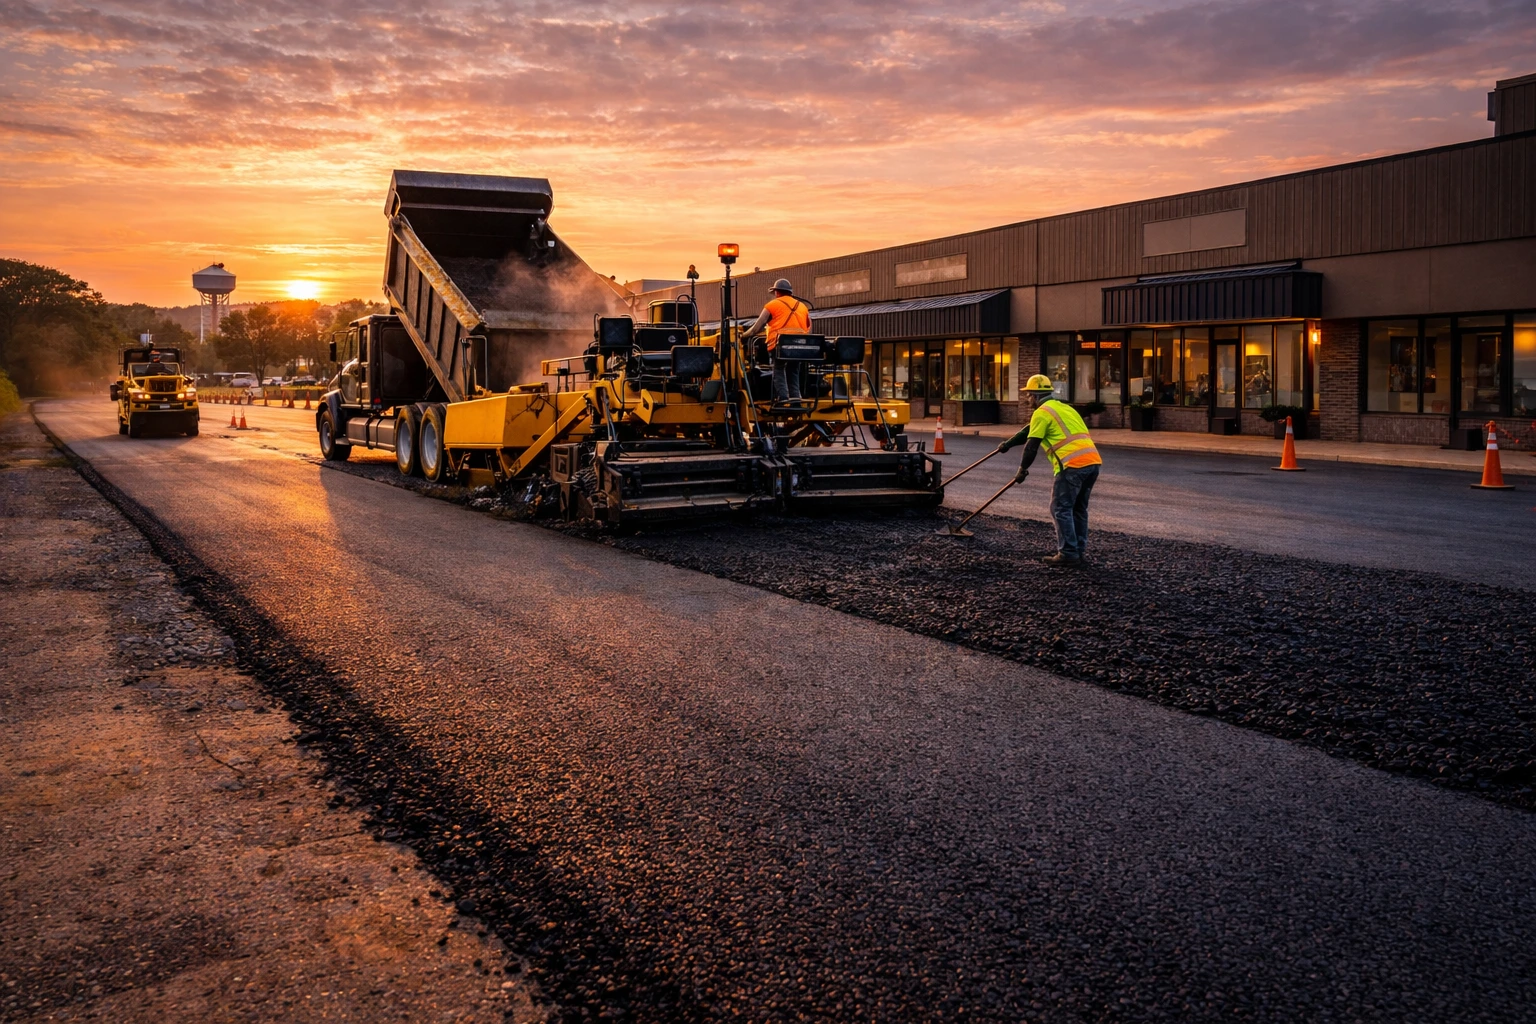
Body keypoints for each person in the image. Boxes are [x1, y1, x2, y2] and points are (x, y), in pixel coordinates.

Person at [996, 373, 1103, 567]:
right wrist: (1008, 445)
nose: (1027, 399)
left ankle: (1068, 553)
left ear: (1035, 396)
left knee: (1060, 508)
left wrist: (1021, 470)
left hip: (1071, 466)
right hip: (1093, 463)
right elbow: (1028, 431)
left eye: (1028, 395)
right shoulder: (1063, 407)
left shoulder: (1042, 412)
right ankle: (1078, 551)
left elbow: (1031, 445)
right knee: (1078, 509)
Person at [743, 278, 811, 402]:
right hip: (800, 346)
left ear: (777, 292)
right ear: (790, 292)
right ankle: (796, 399)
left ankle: (783, 398)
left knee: (779, 369)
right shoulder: (803, 307)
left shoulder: (772, 305)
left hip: (781, 345)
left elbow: (756, 328)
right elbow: (808, 328)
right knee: (793, 371)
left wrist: (743, 336)